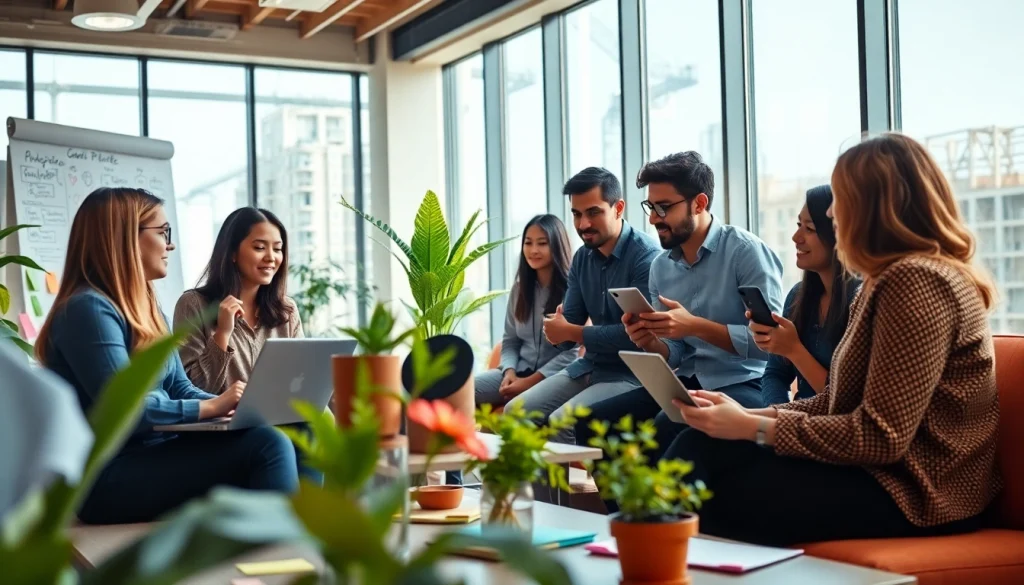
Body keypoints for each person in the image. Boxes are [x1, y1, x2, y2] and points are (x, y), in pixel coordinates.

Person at [664, 133, 1000, 546]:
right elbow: (839, 401)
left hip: (920, 493)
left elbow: (881, 438)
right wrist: (752, 416)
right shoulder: (885, 280)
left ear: (872, 207)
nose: (833, 211)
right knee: (699, 441)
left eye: (839, 198)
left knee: (718, 483)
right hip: (880, 475)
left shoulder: (917, 282)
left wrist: (751, 428)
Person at [35, 187, 299, 524]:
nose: (169, 244)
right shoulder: (88, 310)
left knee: (291, 430)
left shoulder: (145, 309)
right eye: (162, 233)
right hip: (107, 477)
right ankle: (284, 557)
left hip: (155, 453)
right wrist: (211, 406)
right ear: (123, 237)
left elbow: (180, 387)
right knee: (267, 446)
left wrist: (238, 406)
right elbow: (126, 409)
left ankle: (299, 543)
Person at [576, 151, 783, 472]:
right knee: (592, 423)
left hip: (744, 382)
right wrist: (649, 340)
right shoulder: (662, 267)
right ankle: (631, 517)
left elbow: (770, 346)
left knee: (667, 427)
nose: (653, 218)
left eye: (663, 207)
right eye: (650, 207)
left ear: (698, 204)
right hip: (685, 383)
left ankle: (670, 520)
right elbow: (674, 352)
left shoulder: (744, 252)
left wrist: (694, 326)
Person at [506, 167, 661, 443]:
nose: (583, 224)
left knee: (562, 422)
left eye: (593, 212)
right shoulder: (581, 259)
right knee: (515, 413)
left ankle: (590, 487)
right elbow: (566, 333)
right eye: (576, 214)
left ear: (618, 208)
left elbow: (636, 338)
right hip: (589, 366)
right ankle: (543, 489)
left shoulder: (646, 257)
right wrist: (555, 330)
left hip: (631, 374)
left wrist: (571, 333)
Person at [174, 207, 302, 395]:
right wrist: (223, 334)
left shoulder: (287, 309)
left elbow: (302, 377)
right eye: (259, 247)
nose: (271, 257)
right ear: (232, 252)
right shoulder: (193, 304)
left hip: (281, 419)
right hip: (223, 422)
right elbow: (191, 390)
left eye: (277, 249)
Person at [753, 185, 860, 406]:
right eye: (799, 225)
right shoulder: (798, 296)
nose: (795, 237)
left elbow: (846, 401)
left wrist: (793, 349)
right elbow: (774, 375)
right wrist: (780, 413)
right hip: (796, 421)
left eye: (810, 229)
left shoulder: (862, 301)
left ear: (838, 234)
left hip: (832, 427)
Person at [476, 214, 578, 405]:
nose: (533, 250)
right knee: (465, 390)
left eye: (542, 243)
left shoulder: (572, 293)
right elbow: (510, 341)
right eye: (528, 243)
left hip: (552, 379)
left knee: (517, 408)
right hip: (516, 371)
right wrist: (509, 372)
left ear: (557, 246)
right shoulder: (519, 289)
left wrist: (528, 383)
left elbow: (571, 353)